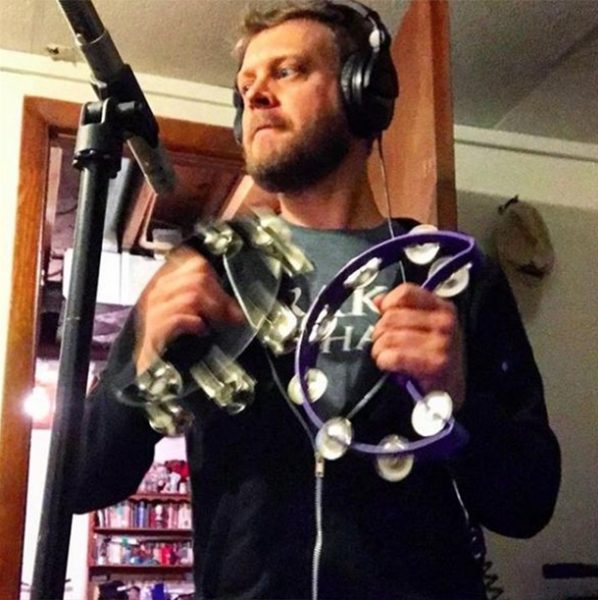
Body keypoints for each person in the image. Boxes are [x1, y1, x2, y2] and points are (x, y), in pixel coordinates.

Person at [72, 2, 561, 599]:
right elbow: (79, 483)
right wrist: (145, 362)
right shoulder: (206, 270)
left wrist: (459, 401)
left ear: (363, 94)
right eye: (246, 85)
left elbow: (529, 503)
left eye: (288, 71)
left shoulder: (454, 276)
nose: (256, 97)